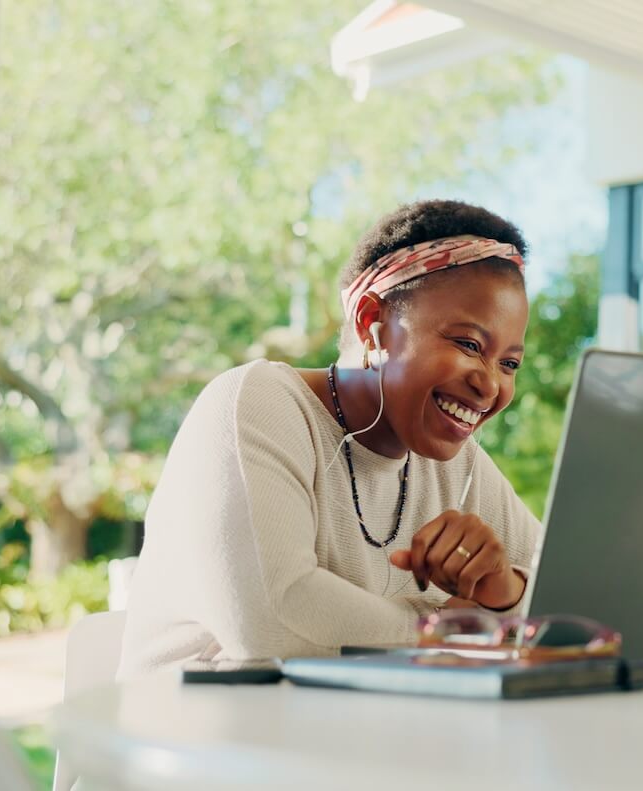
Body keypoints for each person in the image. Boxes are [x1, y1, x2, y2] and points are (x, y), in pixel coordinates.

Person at [117, 200, 542, 676]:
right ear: (370, 323)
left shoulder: (454, 461)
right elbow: (273, 624)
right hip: (185, 736)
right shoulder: (256, 404)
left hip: (327, 741)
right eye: (468, 344)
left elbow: (572, 600)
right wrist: (453, 625)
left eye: (509, 363)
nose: (489, 384)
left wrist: (505, 590)